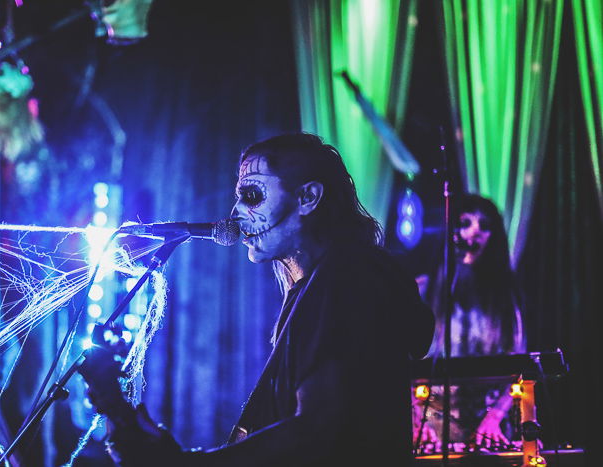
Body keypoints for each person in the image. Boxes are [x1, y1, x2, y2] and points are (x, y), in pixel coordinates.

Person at [83, 133, 435, 466]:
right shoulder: (313, 287)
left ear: (308, 197)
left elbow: (317, 430)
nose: (235, 212)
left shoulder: (345, 277)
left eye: (252, 195)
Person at [413, 194, 525, 452]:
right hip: (429, 425)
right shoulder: (422, 290)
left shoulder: (506, 299)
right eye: (465, 223)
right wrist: (418, 420)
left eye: (484, 226)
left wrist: (495, 417)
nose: (474, 233)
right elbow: (398, 361)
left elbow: (519, 364)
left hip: (489, 426)